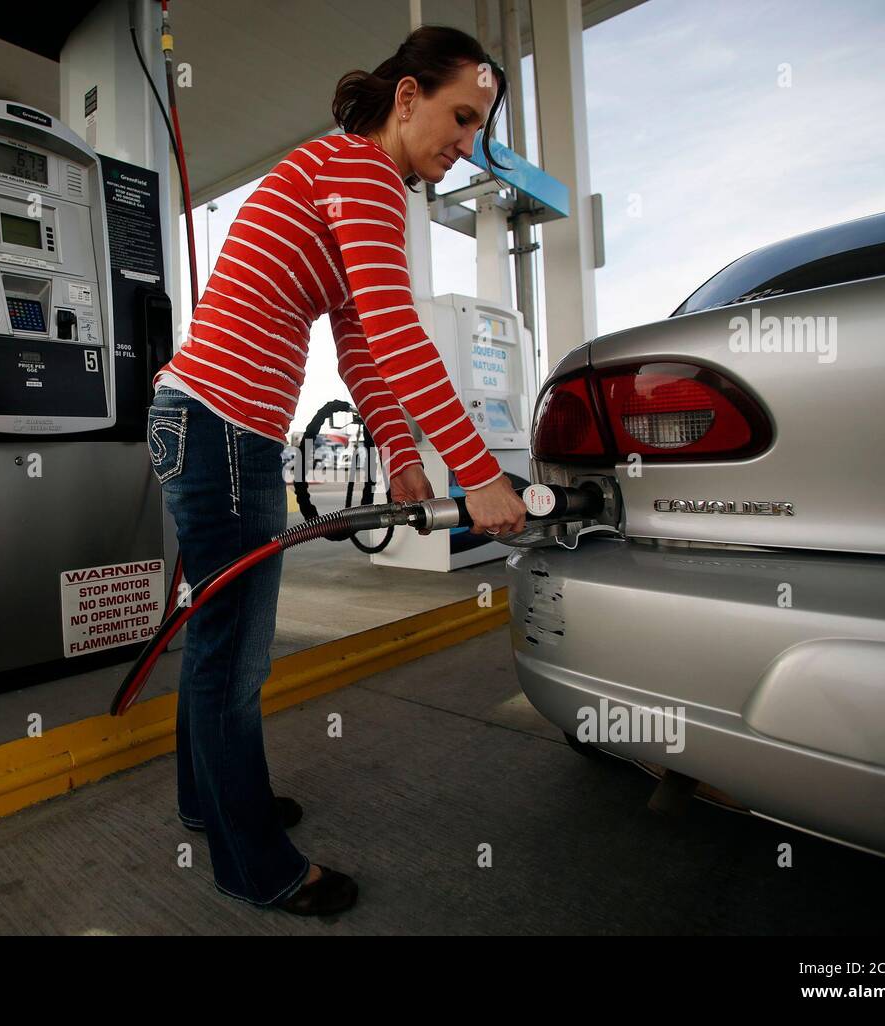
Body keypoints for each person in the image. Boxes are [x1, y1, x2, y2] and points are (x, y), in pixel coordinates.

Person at [146, 24, 528, 917]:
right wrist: (478, 472)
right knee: (236, 655)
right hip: (223, 427)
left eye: (479, 131)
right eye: (460, 117)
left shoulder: (353, 177)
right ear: (407, 97)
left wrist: (401, 454)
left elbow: (361, 340)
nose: (465, 145)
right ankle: (258, 867)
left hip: (202, 422)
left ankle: (210, 804)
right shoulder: (359, 172)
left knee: (215, 636)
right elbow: (397, 335)